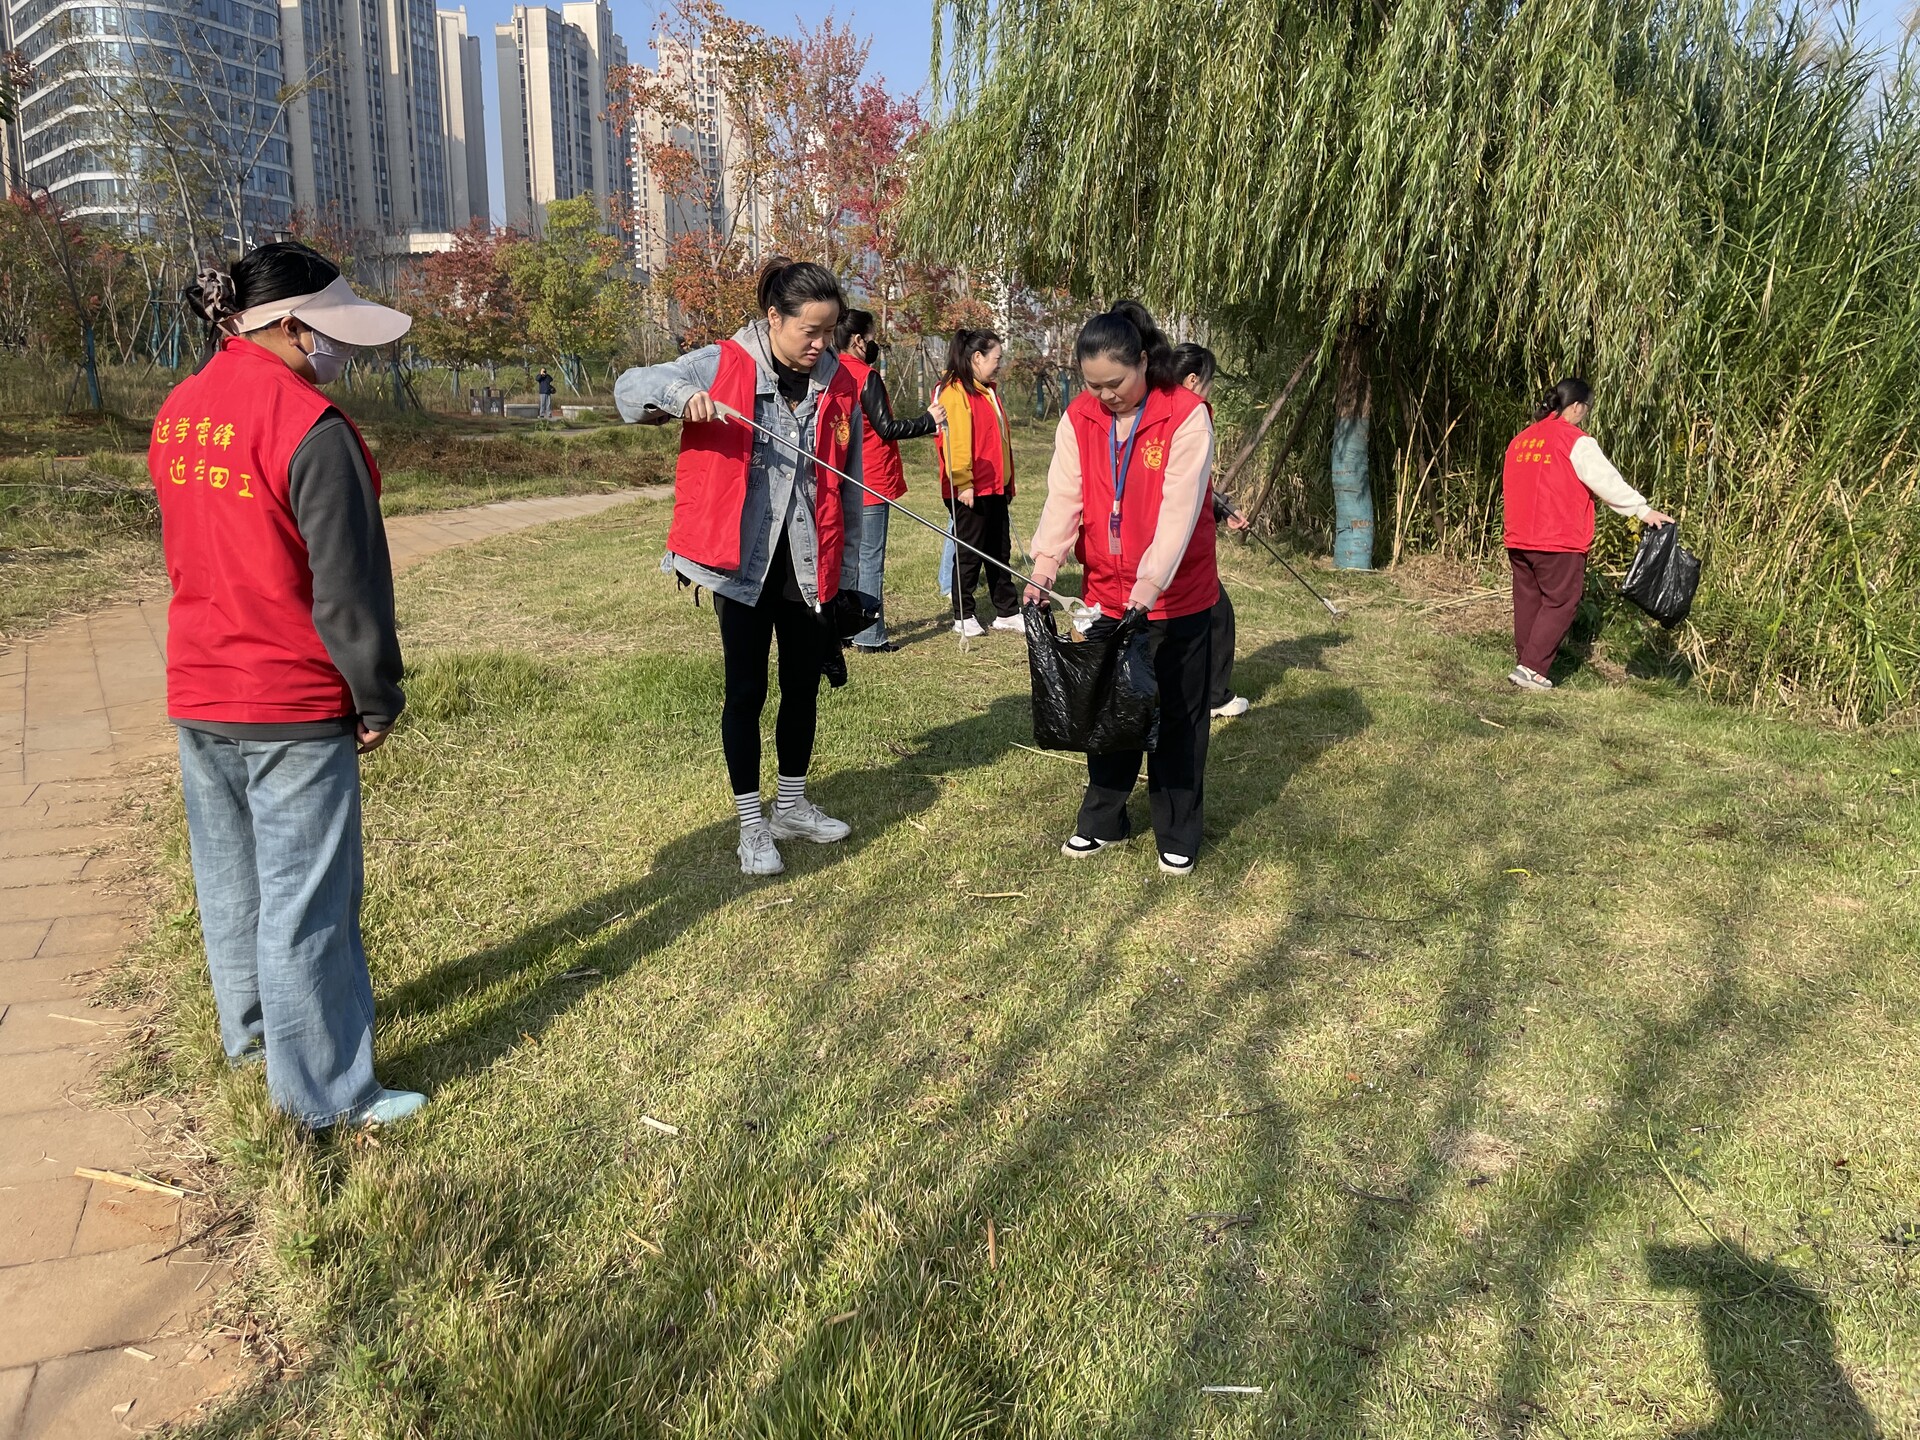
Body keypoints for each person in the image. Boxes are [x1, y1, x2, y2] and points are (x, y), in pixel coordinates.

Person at [155, 242, 422, 1130]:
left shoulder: (180, 411)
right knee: (308, 901)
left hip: (200, 686)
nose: (342, 354)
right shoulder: (313, 429)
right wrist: (375, 693)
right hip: (290, 697)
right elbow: (348, 587)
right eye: (334, 334)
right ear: (295, 328)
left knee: (232, 882)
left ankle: (258, 1041)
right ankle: (328, 1096)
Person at [613, 258, 864, 877]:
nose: (819, 344)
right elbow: (628, 388)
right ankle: (752, 824)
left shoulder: (840, 382)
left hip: (810, 563)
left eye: (828, 332)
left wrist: (852, 573)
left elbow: (850, 484)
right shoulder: (723, 362)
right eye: (809, 330)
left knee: (803, 684)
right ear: (772, 318)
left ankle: (793, 804)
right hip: (741, 562)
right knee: (747, 690)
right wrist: (681, 397)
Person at [1025, 301, 1219, 876]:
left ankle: (1178, 827)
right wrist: (1044, 565)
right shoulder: (1078, 419)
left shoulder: (1184, 415)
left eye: (1116, 383)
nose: (1105, 396)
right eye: (1093, 385)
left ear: (1143, 360)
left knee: (1178, 716)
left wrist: (1151, 583)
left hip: (1175, 597)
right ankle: (1103, 818)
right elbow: (1066, 497)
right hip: (1106, 595)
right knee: (1108, 708)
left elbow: (1179, 511)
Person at [1503, 378, 1673, 690]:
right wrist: (1642, 510)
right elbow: (1606, 481)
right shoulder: (1575, 440)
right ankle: (1531, 667)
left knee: (1528, 599)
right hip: (1557, 536)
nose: (1586, 414)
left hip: (1518, 535)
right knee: (1562, 600)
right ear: (1577, 406)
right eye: (1587, 408)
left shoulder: (1522, 439)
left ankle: (1526, 662)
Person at [834, 309, 946, 653]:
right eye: (871, 337)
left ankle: (844, 630)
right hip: (869, 481)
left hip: (841, 477)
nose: (873, 343)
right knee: (868, 559)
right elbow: (886, 428)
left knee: (846, 558)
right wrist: (929, 420)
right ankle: (869, 635)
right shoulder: (864, 375)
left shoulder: (830, 372)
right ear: (857, 340)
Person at [1172, 342, 1253, 719]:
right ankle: (1215, 696)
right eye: (1207, 381)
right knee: (1216, 615)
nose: (1209, 390)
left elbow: (1199, 485)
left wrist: (1223, 509)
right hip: (1183, 540)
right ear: (1191, 379)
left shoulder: (1153, 410)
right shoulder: (1191, 415)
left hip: (1168, 537)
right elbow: (1187, 487)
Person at [934, 328, 1021, 637]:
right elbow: (955, 443)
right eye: (996, 358)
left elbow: (997, 439)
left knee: (1000, 550)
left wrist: (1007, 482)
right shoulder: (955, 392)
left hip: (995, 486)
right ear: (977, 357)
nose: (999, 363)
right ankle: (963, 613)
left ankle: (1007, 611)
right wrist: (963, 483)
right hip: (970, 488)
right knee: (970, 552)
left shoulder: (988, 391)